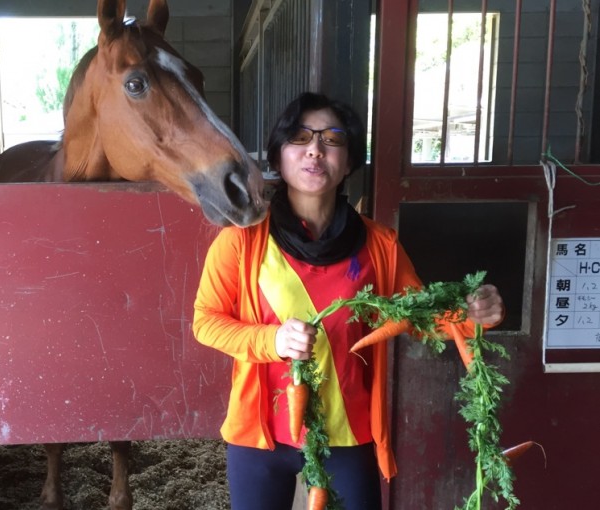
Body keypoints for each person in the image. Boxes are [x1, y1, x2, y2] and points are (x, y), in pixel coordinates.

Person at [192, 92, 505, 510]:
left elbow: (420, 315)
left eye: (331, 139)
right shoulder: (242, 240)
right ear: (279, 156)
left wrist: (470, 316)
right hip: (259, 436)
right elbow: (206, 321)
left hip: (347, 432)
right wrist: (273, 342)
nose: (315, 150)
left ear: (349, 159)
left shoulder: (379, 245)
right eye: (300, 137)